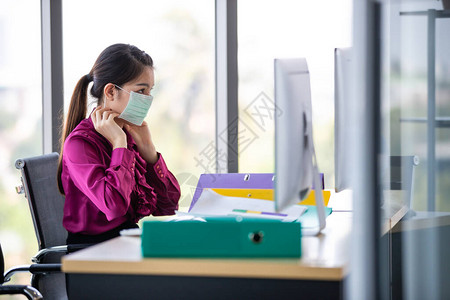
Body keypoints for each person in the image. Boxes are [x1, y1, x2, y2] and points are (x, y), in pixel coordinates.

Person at [57, 43, 181, 245]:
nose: (148, 99)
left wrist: (149, 152)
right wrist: (119, 145)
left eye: (150, 91)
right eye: (141, 91)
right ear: (111, 92)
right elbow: (113, 207)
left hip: (127, 244)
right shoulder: (80, 143)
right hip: (94, 254)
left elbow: (169, 206)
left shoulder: (129, 133)